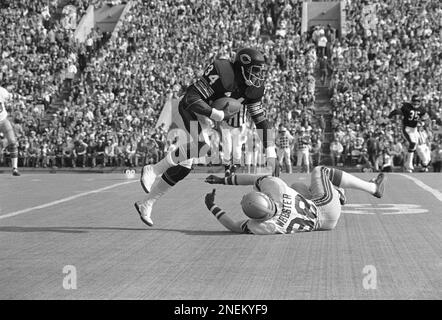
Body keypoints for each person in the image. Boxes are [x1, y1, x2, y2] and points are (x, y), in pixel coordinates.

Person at [134, 48, 278, 227]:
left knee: (184, 167)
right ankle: (153, 170)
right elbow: (191, 97)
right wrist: (217, 114)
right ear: (242, 66)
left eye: (260, 71)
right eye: (255, 70)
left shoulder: (253, 89)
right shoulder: (222, 71)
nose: (258, 75)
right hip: (189, 107)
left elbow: (260, 120)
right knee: (202, 146)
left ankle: (146, 203)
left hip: (206, 117)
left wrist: (271, 153)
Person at [203, 166, 386, 234]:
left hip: (323, 225)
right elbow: (252, 179)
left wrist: (212, 207)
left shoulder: (264, 226)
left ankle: (337, 195)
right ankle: (372, 188)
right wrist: (222, 180)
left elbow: (233, 226)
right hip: (325, 208)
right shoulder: (276, 187)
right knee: (320, 171)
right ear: (264, 196)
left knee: (298, 186)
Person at [388, 95, 429, 172]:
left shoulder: (422, 109)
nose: (415, 103)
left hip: (415, 129)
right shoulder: (406, 107)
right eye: (414, 102)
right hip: (407, 128)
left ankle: (424, 164)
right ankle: (409, 165)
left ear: (420, 102)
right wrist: (390, 116)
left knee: (418, 147)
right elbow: (398, 111)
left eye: (417, 102)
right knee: (413, 143)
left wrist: (422, 122)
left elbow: (426, 117)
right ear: (411, 101)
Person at [0, 86, 20, 175]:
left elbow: (10, 96)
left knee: (12, 141)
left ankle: (15, 168)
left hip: (3, 119)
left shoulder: (1, 91)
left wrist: (20, 97)